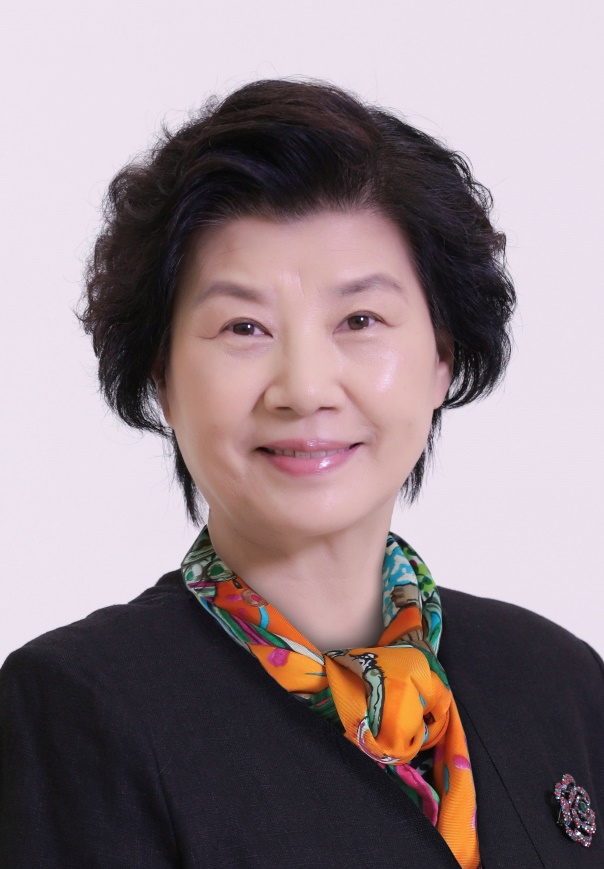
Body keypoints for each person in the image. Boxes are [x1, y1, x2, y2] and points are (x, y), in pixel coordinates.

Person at [0, 79, 602, 869]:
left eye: (360, 320)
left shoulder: (558, 679)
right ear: (162, 378)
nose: (306, 387)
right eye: (244, 326)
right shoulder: (78, 706)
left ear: (442, 358)